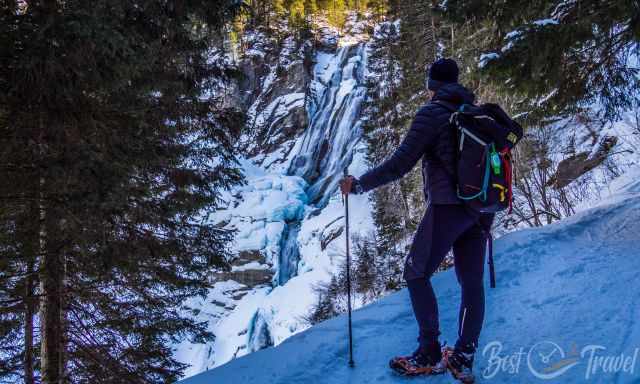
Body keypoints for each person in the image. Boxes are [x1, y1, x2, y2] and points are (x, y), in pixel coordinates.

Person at [340, 58, 493, 383]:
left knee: (416, 272)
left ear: (431, 85)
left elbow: (400, 163)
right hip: (478, 210)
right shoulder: (473, 114)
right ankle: (463, 356)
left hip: (447, 208)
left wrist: (360, 184)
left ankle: (429, 353)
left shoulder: (432, 115)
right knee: (471, 282)